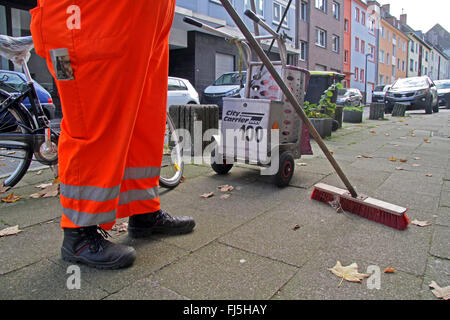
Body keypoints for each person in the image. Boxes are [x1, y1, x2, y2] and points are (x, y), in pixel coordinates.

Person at [30, 0, 195, 269]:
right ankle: (78, 233)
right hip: (88, 16)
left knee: (144, 121)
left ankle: (143, 211)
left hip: (146, 19)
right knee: (92, 121)